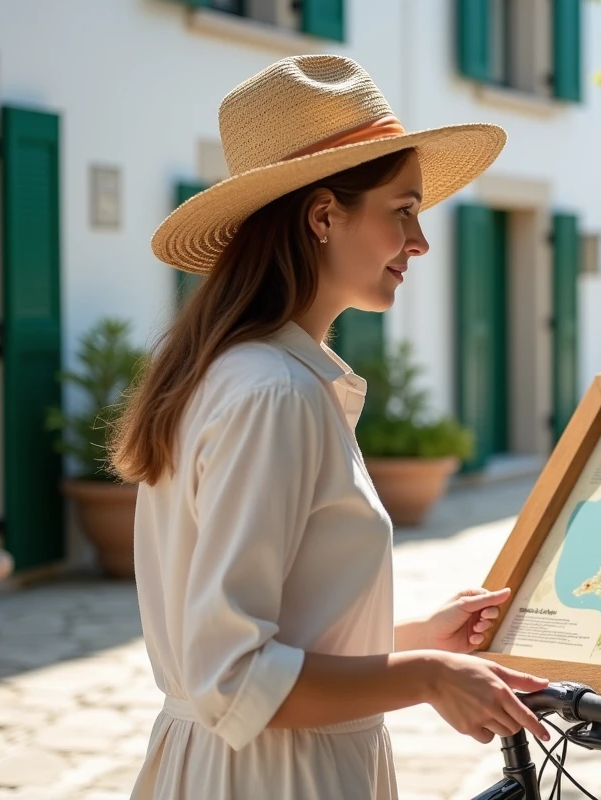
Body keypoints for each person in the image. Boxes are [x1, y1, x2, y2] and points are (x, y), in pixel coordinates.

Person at [111, 55, 552, 799]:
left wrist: (414, 639)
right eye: (403, 210)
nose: (420, 241)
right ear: (323, 216)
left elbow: (269, 640)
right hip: (274, 778)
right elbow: (232, 675)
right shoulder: (273, 392)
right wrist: (428, 676)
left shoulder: (255, 373)